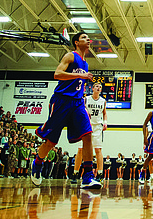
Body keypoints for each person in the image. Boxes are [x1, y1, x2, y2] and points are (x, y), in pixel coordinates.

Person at [30, 32, 102, 189]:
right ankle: (37, 163)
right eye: (84, 38)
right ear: (76, 42)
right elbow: (57, 74)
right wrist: (77, 74)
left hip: (77, 103)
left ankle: (88, 177)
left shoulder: (85, 63)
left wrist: (83, 103)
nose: (88, 40)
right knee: (51, 141)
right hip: (61, 101)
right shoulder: (70, 56)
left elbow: (78, 86)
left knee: (87, 135)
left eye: (88, 38)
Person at [73, 83, 107, 185]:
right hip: (86, 126)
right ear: (92, 88)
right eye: (97, 86)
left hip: (97, 127)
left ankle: (100, 174)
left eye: (100, 87)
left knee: (98, 150)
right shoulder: (86, 99)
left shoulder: (103, 101)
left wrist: (105, 122)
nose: (98, 88)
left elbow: (104, 113)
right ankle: (75, 173)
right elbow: (80, 110)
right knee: (80, 150)